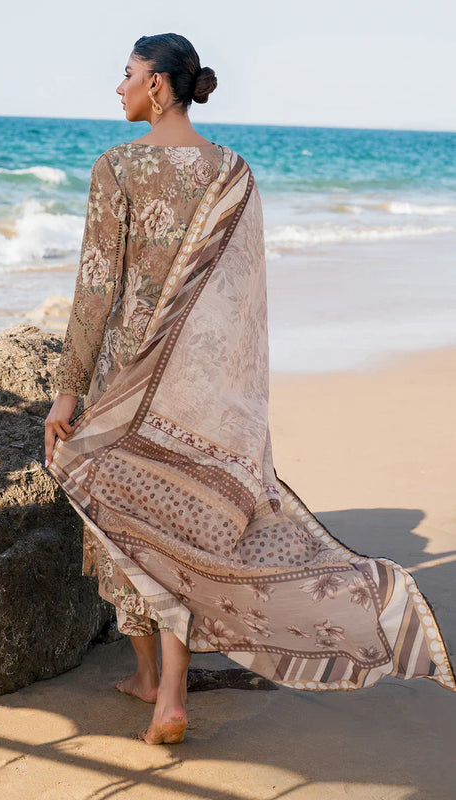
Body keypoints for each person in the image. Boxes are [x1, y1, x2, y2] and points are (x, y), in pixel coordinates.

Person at [44, 33, 456, 745]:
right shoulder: (232, 171)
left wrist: (66, 388)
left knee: (126, 525)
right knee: (181, 529)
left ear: (159, 87)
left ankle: (149, 680)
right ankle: (166, 689)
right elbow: (242, 302)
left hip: (127, 382)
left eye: (128, 75)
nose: (118, 88)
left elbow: (94, 291)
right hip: (199, 387)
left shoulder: (118, 168)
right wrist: (232, 398)